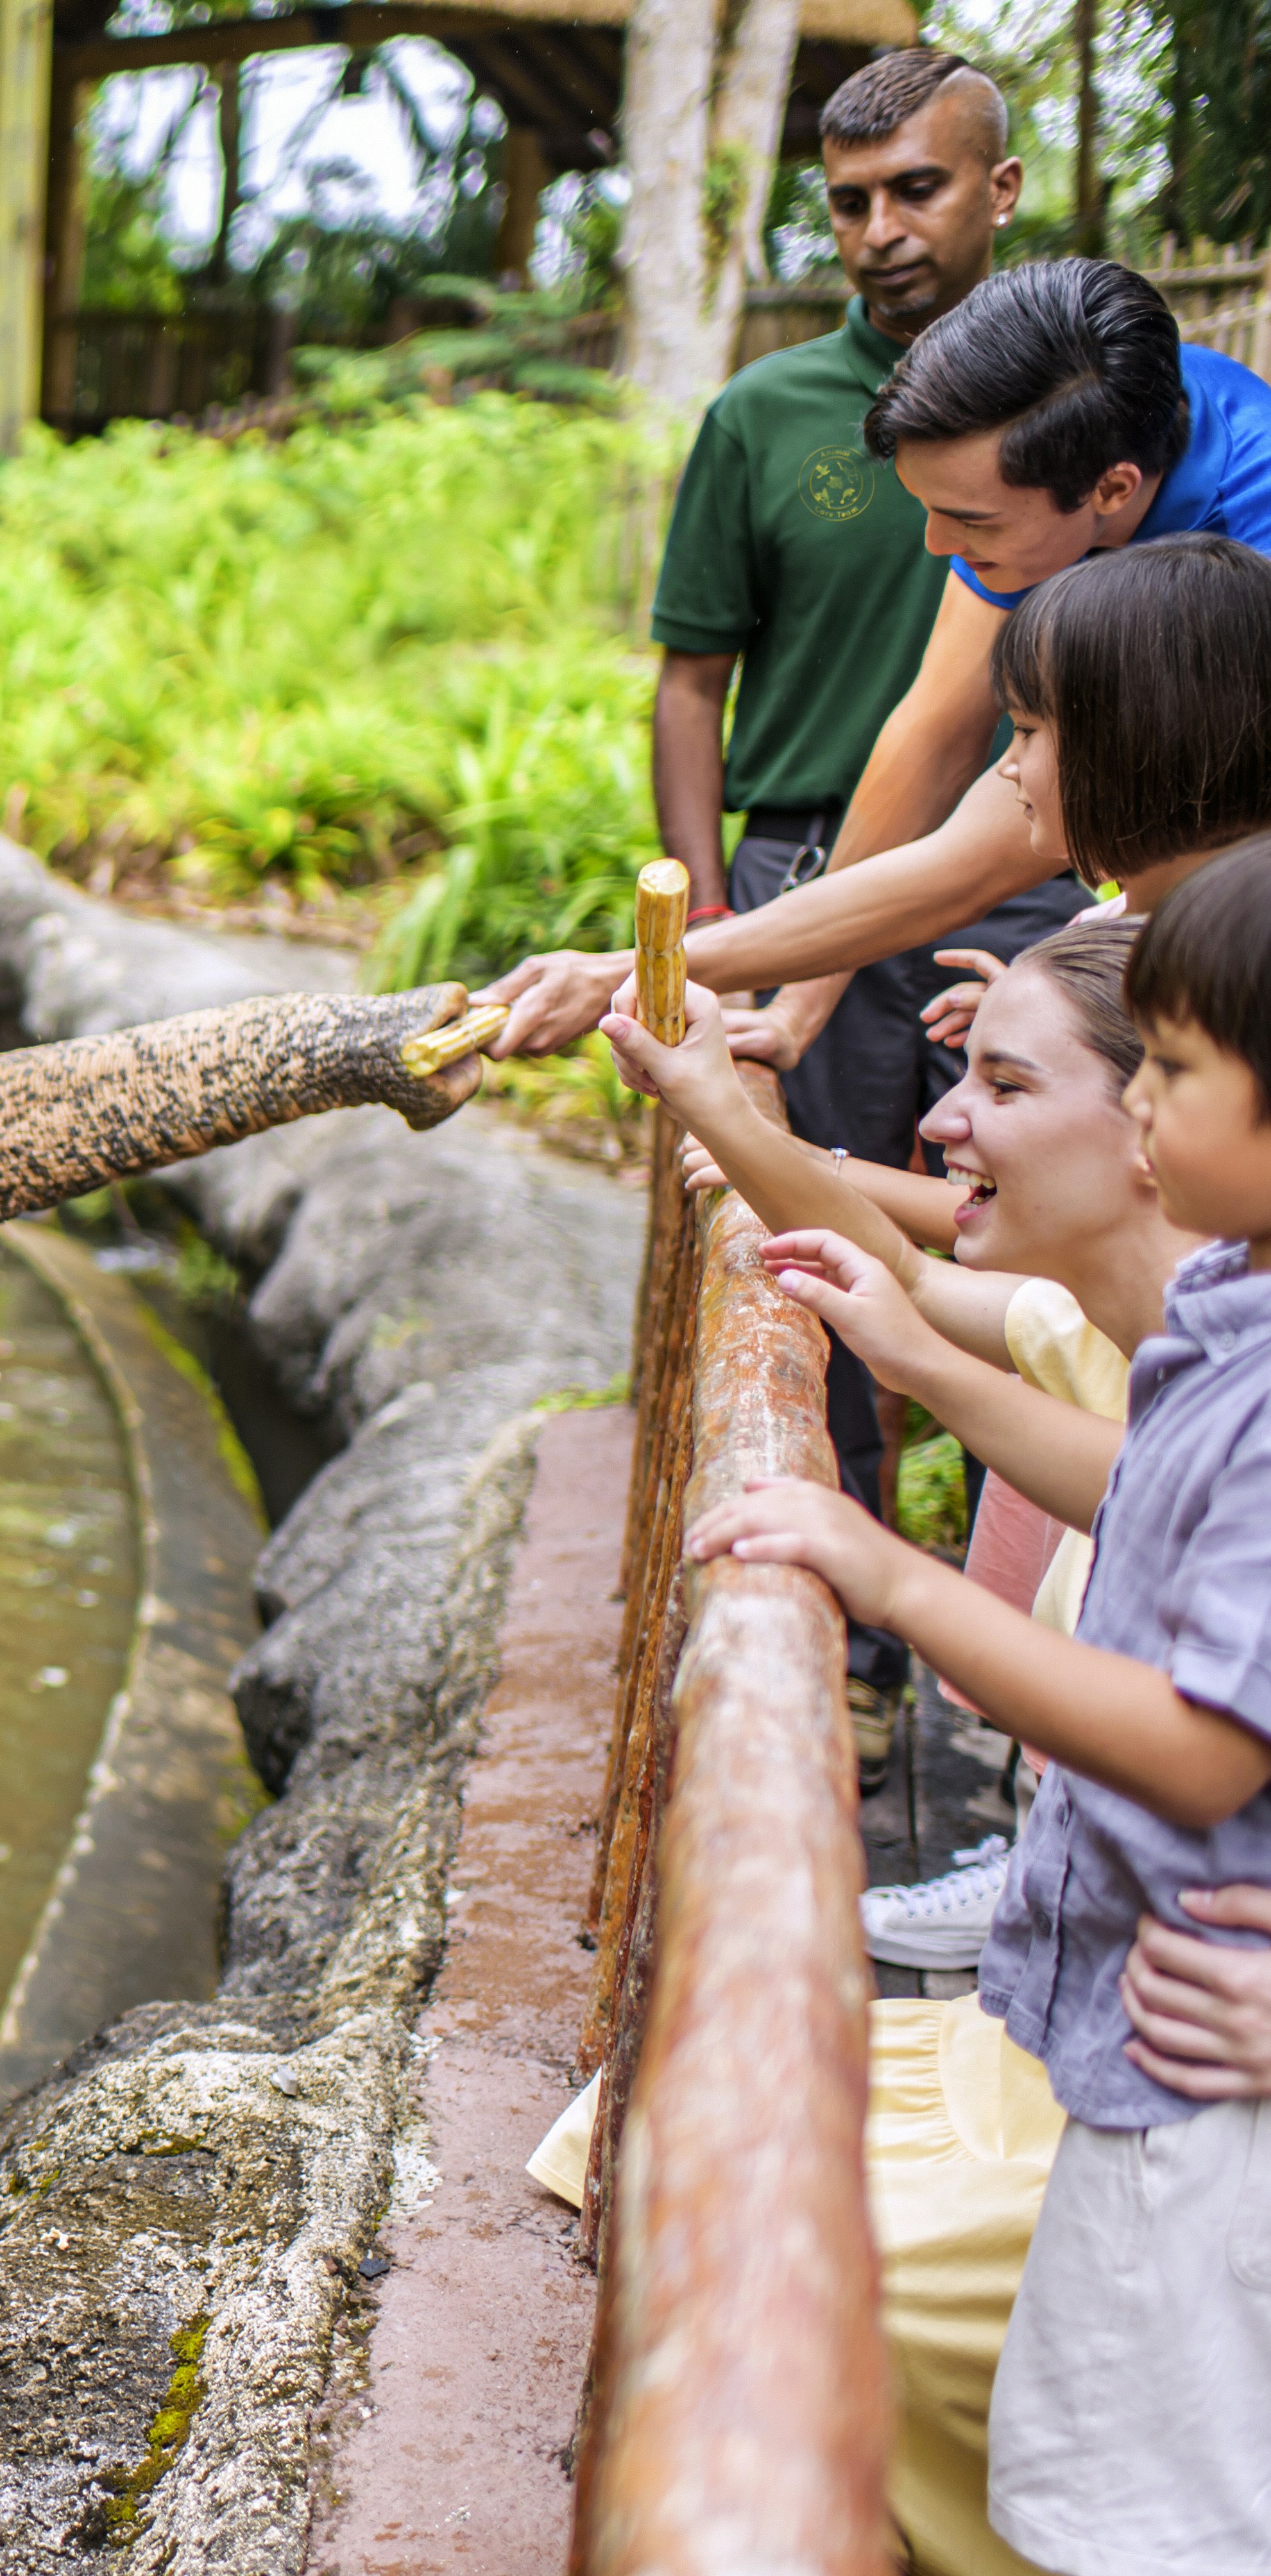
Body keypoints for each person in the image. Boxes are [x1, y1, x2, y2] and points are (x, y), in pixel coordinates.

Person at [685, 845, 1271, 2576]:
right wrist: (926, 1372)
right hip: (1138, 2031)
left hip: (1198, 2067)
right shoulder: (1226, 1316)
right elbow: (1130, 1476)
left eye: (1171, 1070)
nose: (1147, 1109)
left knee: (1142, 2521)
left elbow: (1206, 1738)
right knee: (1073, 2478)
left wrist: (894, 1577)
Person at [638, 47, 1073, 1727]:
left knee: (1031, 1225)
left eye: (920, 189)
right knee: (803, 1217)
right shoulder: (761, 416)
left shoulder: (1089, 406)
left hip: (1026, 868)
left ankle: (1023, 1619)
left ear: (1002, 189)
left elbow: (958, 724)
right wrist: (701, 904)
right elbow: (694, 676)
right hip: (807, 853)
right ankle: (861, 1629)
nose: (882, 229)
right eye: (850, 200)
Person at [484, 258, 1271, 1057]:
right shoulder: (1065, 439)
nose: (938, 547)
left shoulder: (1244, 549)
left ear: (1111, 490)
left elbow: (969, 862)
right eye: (927, 510)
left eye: (967, 521)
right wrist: (799, 1007)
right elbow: (930, 736)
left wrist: (634, 970)